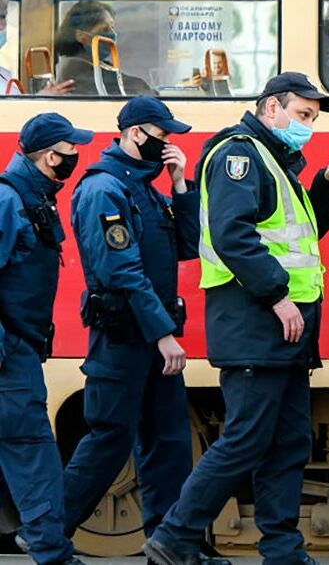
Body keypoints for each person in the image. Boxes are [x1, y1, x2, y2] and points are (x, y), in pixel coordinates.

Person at [145, 72, 329, 565]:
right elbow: (232, 236)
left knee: (288, 443)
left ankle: (282, 549)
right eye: (301, 114)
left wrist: (327, 187)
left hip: (285, 331)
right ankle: (175, 537)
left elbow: (303, 233)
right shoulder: (240, 155)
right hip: (257, 322)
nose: (307, 126)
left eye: (312, 118)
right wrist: (277, 297)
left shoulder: (276, 162)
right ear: (270, 107)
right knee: (245, 439)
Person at [61, 97, 210, 552]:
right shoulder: (104, 190)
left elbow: (188, 245)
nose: (168, 145)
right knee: (110, 440)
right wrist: (163, 333)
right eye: (163, 136)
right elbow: (122, 272)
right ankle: (47, 533)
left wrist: (181, 182)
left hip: (150, 334)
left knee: (168, 443)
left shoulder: (146, 188)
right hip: (124, 336)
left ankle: (171, 545)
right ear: (136, 133)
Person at [0, 113, 92, 565]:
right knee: (31, 449)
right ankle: (52, 551)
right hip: (8, 354)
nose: (77, 156)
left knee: (25, 448)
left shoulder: (30, 197)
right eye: (71, 150)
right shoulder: (9, 201)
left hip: (17, 347)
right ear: (52, 156)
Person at [54, 0, 155, 96]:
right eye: (105, 29)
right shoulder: (76, 68)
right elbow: (121, 86)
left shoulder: (95, 63)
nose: (113, 34)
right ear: (81, 36)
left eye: (112, 28)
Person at [0, 0, 74, 96]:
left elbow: (15, 109)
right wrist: (42, 97)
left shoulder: (4, 74)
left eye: (3, 17)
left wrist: (43, 96)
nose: (2, 26)